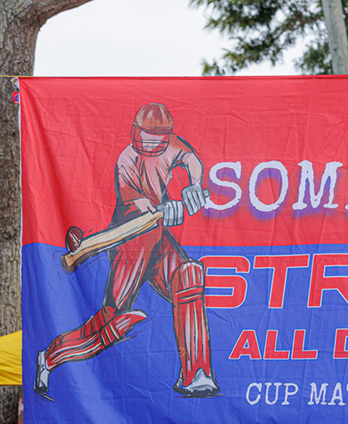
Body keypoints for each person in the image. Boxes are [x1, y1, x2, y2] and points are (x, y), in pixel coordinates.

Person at [34, 102, 218, 400]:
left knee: (189, 275)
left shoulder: (170, 144)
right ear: (136, 132)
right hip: (132, 243)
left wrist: (193, 186)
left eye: (157, 138)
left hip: (159, 239)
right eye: (146, 136)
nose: (151, 144)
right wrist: (166, 210)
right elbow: (142, 210)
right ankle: (50, 357)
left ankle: (196, 374)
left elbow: (191, 159)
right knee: (112, 321)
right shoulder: (126, 160)